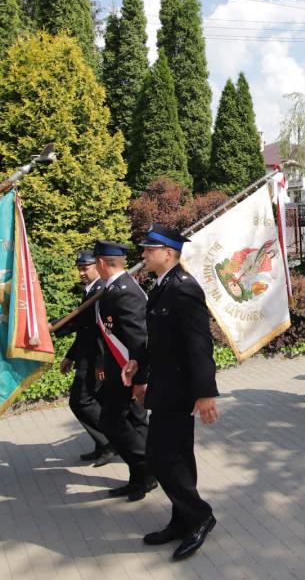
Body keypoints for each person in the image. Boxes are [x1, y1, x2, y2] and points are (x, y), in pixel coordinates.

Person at [124, 224, 218, 560]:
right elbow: (158, 339)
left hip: (180, 390)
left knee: (162, 456)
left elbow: (200, 344)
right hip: (165, 387)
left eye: (149, 250)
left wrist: (206, 393)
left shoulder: (184, 288)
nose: (144, 255)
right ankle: (182, 520)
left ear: (168, 253)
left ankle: (200, 515)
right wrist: (138, 362)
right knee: (177, 455)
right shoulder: (162, 286)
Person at [93, 240, 155, 501]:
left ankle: (148, 468)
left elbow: (139, 339)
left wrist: (140, 379)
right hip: (119, 370)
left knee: (111, 422)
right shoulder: (113, 288)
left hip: (128, 372)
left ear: (100, 263)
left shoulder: (125, 291)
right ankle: (139, 478)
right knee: (133, 423)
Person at [56, 251, 113, 466]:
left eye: (85, 268)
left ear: (97, 266)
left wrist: (100, 363)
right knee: (93, 401)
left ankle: (111, 441)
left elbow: (102, 332)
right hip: (86, 356)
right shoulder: (90, 290)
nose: (81, 273)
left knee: (81, 401)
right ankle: (103, 444)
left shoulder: (101, 291)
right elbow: (84, 330)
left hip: (96, 359)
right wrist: (70, 356)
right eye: (79, 268)